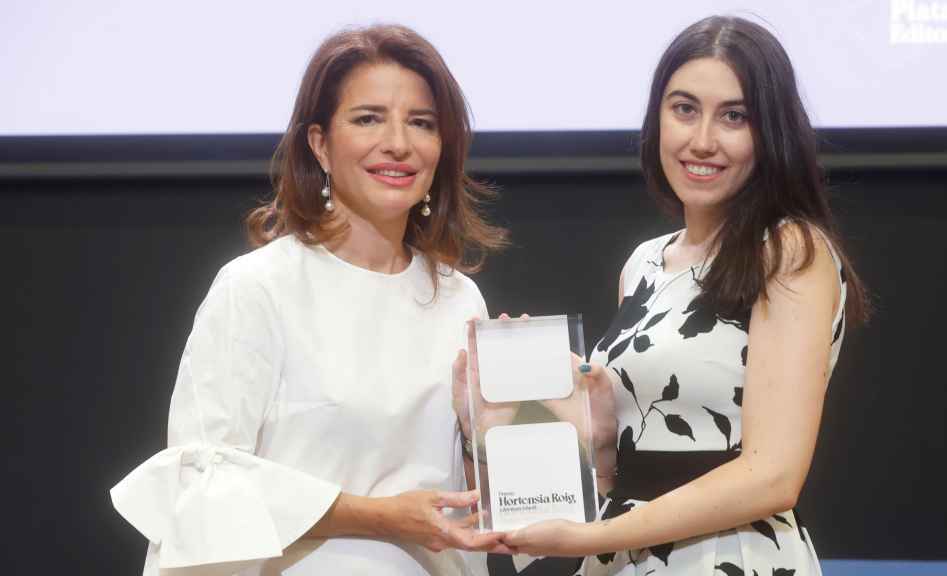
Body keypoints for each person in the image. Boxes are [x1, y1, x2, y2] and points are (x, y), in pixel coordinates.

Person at [110, 24, 510, 575]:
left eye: (421, 123)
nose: (398, 142)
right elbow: (203, 479)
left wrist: (514, 424)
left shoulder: (460, 298)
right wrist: (379, 517)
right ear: (319, 144)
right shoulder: (257, 287)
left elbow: (476, 496)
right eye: (368, 118)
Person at [501, 15, 870, 576]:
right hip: (624, 556)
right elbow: (627, 464)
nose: (702, 140)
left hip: (728, 557)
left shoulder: (791, 250)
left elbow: (773, 476)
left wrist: (595, 535)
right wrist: (591, 427)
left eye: (734, 116)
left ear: (771, 132)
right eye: (684, 109)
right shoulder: (645, 261)